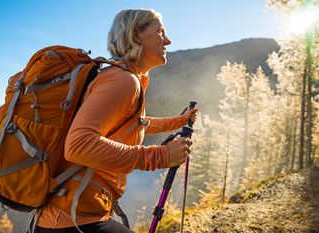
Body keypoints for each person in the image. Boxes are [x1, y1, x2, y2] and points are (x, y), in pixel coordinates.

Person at [34, 9, 197, 233]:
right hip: (72, 221)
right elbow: (78, 145)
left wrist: (179, 121)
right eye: (160, 32)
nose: (168, 40)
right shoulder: (123, 81)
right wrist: (160, 156)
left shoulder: (124, 78)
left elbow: (136, 123)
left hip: (75, 216)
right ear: (136, 35)